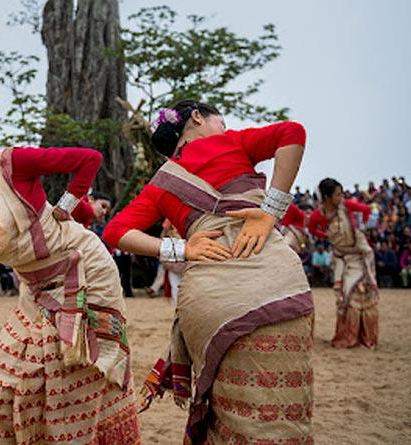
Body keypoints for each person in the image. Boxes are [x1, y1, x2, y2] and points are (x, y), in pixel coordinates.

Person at [0, 98, 140, 444]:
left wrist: (66, 206)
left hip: (82, 267)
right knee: (3, 375)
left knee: (73, 375)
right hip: (34, 286)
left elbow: (89, 160)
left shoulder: (11, 163)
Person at [103, 100, 313, 445]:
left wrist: (182, 249)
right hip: (270, 278)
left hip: (207, 296)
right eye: (221, 120)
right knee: (280, 406)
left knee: (226, 404)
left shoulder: (160, 183)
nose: (225, 128)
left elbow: (115, 231)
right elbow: (293, 132)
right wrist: (269, 212)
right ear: (198, 117)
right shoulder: (231, 143)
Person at [309, 177, 379, 349]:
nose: (341, 197)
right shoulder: (319, 215)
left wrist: (361, 227)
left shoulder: (346, 206)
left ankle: (365, 337)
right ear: (326, 197)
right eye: (338, 194)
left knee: (362, 293)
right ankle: (347, 335)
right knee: (343, 295)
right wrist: (329, 238)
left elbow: (366, 210)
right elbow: (311, 229)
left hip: (360, 255)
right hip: (341, 257)